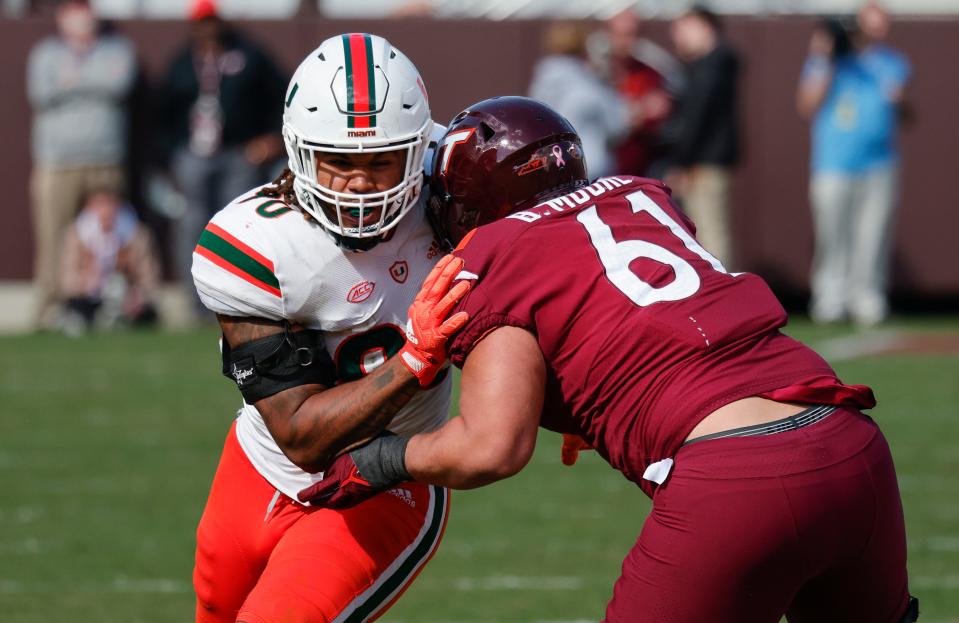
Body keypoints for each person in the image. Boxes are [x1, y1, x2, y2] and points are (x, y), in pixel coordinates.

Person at [301, 97, 918, 623]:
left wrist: (383, 460)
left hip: (738, 477)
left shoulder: (492, 251)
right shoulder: (643, 196)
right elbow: (658, 316)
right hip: (851, 445)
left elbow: (491, 447)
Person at [189, 34, 470, 623]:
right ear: (299, 151)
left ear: (418, 149)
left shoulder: (467, 189)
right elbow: (301, 435)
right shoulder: (256, 243)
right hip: (262, 463)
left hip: (389, 477)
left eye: (381, 160)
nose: (360, 183)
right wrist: (415, 359)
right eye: (339, 160)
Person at [159, 0, 288, 321]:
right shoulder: (182, 63)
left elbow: (281, 95)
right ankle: (196, 305)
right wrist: (172, 153)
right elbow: (162, 113)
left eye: (212, 21)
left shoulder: (248, 55)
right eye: (201, 22)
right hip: (194, 155)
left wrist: (271, 138)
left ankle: (239, 300)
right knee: (192, 225)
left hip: (238, 153)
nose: (208, 29)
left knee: (239, 225)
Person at [797, 3, 912, 326]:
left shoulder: (893, 62)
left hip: (879, 162)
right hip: (833, 162)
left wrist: (901, 101)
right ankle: (830, 300)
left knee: (872, 235)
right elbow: (807, 105)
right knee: (832, 235)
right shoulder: (829, 61)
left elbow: (908, 115)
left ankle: (867, 298)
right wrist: (824, 58)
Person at [26, 0, 137, 330]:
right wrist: (93, 83)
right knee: (53, 238)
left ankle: (113, 309)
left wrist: (73, 82)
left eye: (86, 9)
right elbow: (42, 92)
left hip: (105, 158)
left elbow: (118, 84)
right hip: (57, 160)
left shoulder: (117, 49)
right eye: (75, 10)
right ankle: (49, 310)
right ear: (63, 17)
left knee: (113, 238)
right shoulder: (45, 53)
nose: (82, 17)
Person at [665, 5, 739, 268]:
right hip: (704, 161)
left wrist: (682, 163)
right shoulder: (708, 65)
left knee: (710, 235)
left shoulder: (713, 66)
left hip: (703, 163)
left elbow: (697, 118)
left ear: (702, 26)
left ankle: (724, 298)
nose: (678, 38)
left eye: (683, 29)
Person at [528, 21, 629, 178]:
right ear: (583, 47)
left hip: (552, 169)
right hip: (590, 167)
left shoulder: (541, 82)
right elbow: (617, 126)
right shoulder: (590, 83)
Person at [590, 9, 681, 178]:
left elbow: (660, 111)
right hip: (601, 169)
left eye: (633, 34)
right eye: (622, 34)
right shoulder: (595, 72)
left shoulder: (648, 73)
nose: (627, 41)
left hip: (639, 168)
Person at [59, 188, 161, 334]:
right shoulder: (76, 236)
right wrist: (85, 283)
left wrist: (138, 295)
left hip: (124, 299)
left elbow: (149, 278)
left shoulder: (136, 235)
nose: (105, 212)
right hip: (88, 298)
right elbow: (67, 280)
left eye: (109, 205)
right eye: (99, 206)